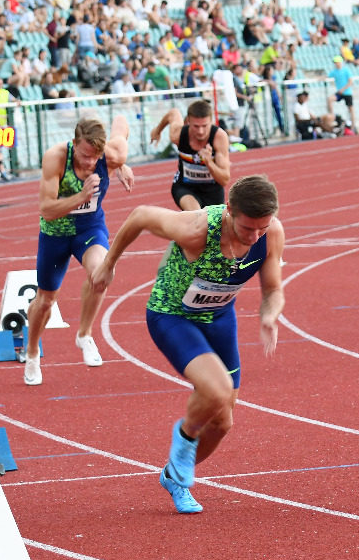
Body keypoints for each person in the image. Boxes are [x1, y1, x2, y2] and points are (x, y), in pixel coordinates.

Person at [89, 174, 285, 514]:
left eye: (261, 229)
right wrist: (108, 264)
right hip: (172, 315)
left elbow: (273, 289)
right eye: (246, 229)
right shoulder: (196, 229)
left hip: (220, 319)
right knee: (218, 390)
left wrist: (269, 314)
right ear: (228, 211)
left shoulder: (271, 234)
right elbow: (139, 215)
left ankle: (174, 476)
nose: (254, 237)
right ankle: (185, 437)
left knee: (223, 422)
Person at [23, 116, 135, 386]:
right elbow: (47, 210)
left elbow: (121, 121)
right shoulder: (56, 158)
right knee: (46, 301)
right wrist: (80, 197)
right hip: (55, 235)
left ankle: (84, 334)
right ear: (74, 145)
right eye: (84, 156)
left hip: (89, 228)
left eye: (95, 157)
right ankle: (32, 353)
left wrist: (120, 164)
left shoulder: (110, 155)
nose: (89, 163)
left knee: (102, 274)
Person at [151, 99, 230, 210]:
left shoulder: (219, 137)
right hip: (185, 187)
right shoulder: (178, 135)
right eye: (196, 126)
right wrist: (157, 130)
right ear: (188, 121)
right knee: (195, 217)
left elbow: (224, 179)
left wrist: (208, 162)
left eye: (205, 126)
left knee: (213, 227)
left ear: (211, 122)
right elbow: (173, 113)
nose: (201, 131)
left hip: (212, 192)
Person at [326, 56, 355, 132]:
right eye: (335, 63)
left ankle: (353, 126)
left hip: (347, 92)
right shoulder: (334, 72)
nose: (336, 64)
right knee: (330, 99)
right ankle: (332, 118)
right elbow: (326, 76)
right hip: (340, 93)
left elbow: (350, 81)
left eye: (337, 62)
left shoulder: (346, 70)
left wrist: (343, 89)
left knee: (351, 109)